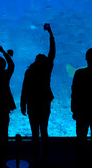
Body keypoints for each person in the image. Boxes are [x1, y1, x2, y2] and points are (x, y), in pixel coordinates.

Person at [20, 23, 55, 163]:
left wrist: (23, 104)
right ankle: (44, 156)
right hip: (44, 103)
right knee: (44, 130)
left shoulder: (30, 71)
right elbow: (52, 53)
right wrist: (50, 34)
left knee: (35, 132)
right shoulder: (46, 70)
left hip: (33, 104)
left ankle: (35, 156)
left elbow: (24, 89)